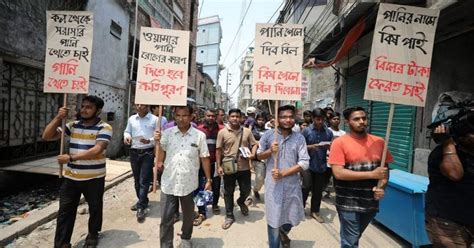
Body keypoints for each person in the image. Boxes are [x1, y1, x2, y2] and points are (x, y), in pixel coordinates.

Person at [42, 95, 112, 248]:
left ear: (98, 111)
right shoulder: (72, 125)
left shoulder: (104, 127)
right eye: (83, 106)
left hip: (94, 177)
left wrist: (71, 158)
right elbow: (47, 136)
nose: (84, 110)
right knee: (65, 211)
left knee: (94, 208)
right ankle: (62, 243)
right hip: (71, 177)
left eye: (89, 107)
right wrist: (58, 117)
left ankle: (93, 234)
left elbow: (97, 149)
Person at [328, 106, 391, 248]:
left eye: (364, 118)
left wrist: (382, 186)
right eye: (356, 119)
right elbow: (338, 173)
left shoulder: (379, 142)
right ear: (347, 122)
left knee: (353, 237)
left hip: (370, 201)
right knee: (350, 241)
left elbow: (385, 171)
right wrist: (371, 174)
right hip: (347, 200)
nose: (361, 121)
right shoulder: (339, 143)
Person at [155, 105, 212, 248]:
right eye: (178, 115)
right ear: (174, 116)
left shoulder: (199, 136)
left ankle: (186, 238)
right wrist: (158, 143)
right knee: (166, 218)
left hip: (189, 183)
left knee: (188, 215)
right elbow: (161, 156)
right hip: (169, 181)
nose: (181, 119)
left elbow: (204, 158)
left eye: (185, 115)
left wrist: (209, 179)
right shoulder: (166, 134)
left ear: (191, 116)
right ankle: (166, 245)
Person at [257, 105, 310, 248]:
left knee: (291, 218)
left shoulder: (299, 138)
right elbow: (258, 155)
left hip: (292, 185)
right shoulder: (268, 136)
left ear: (295, 118)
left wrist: (284, 173)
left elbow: (304, 162)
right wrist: (270, 151)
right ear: (277, 119)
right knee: (273, 220)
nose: (287, 120)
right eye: (283, 117)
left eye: (290, 117)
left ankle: (283, 231)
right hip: (273, 185)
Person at [425, 117, 474, 247]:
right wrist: (447, 144)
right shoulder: (442, 152)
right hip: (448, 223)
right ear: (462, 137)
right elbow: (455, 174)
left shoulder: (470, 152)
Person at [216, 108, 258, 230]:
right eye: (233, 116)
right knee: (228, 192)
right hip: (228, 167)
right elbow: (218, 150)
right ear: (228, 118)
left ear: (241, 118)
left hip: (244, 167)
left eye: (237, 116)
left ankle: (240, 201)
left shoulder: (247, 132)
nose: (235, 118)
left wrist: (252, 154)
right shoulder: (222, 132)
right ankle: (229, 216)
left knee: (245, 190)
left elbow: (254, 144)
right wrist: (218, 166)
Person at [123, 104, 157, 223]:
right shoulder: (132, 119)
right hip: (134, 151)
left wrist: (150, 140)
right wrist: (127, 137)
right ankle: (142, 200)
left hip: (147, 152)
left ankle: (141, 206)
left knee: (144, 179)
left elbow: (159, 136)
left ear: (147, 106)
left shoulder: (154, 119)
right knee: (137, 179)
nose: (139, 106)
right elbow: (127, 131)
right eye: (137, 104)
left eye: (142, 104)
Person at [301, 108, 333, 223]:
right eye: (318, 119)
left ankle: (315, 211)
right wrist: (311, 147)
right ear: (313, 119)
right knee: (306, 186)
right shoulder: (306, 131)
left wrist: (329, 147)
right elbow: (298, 147)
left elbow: (331, 146)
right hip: (307, 164)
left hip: (321, 164)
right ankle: (300, 208)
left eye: (322, 119)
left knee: (318, 190)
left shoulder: (328, 132)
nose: (320, 122)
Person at [194, 109, 225, 226]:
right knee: (201, 186)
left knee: (216, 185)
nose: (211, 118)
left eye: (213, 116)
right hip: (201, 163)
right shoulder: (199, 129)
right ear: (205, 116)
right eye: (208, 115)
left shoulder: (221, 130)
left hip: (216, 163)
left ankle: (215, 204)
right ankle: (202, 210)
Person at [251, 112, 269, 201]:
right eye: (259, 119)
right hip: (249, 157)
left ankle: (255, 190)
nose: (261, 121)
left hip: (260, 158)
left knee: (260, 179)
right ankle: (248, 197)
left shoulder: (268, 132)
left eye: (263, 120)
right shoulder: (251, 130)